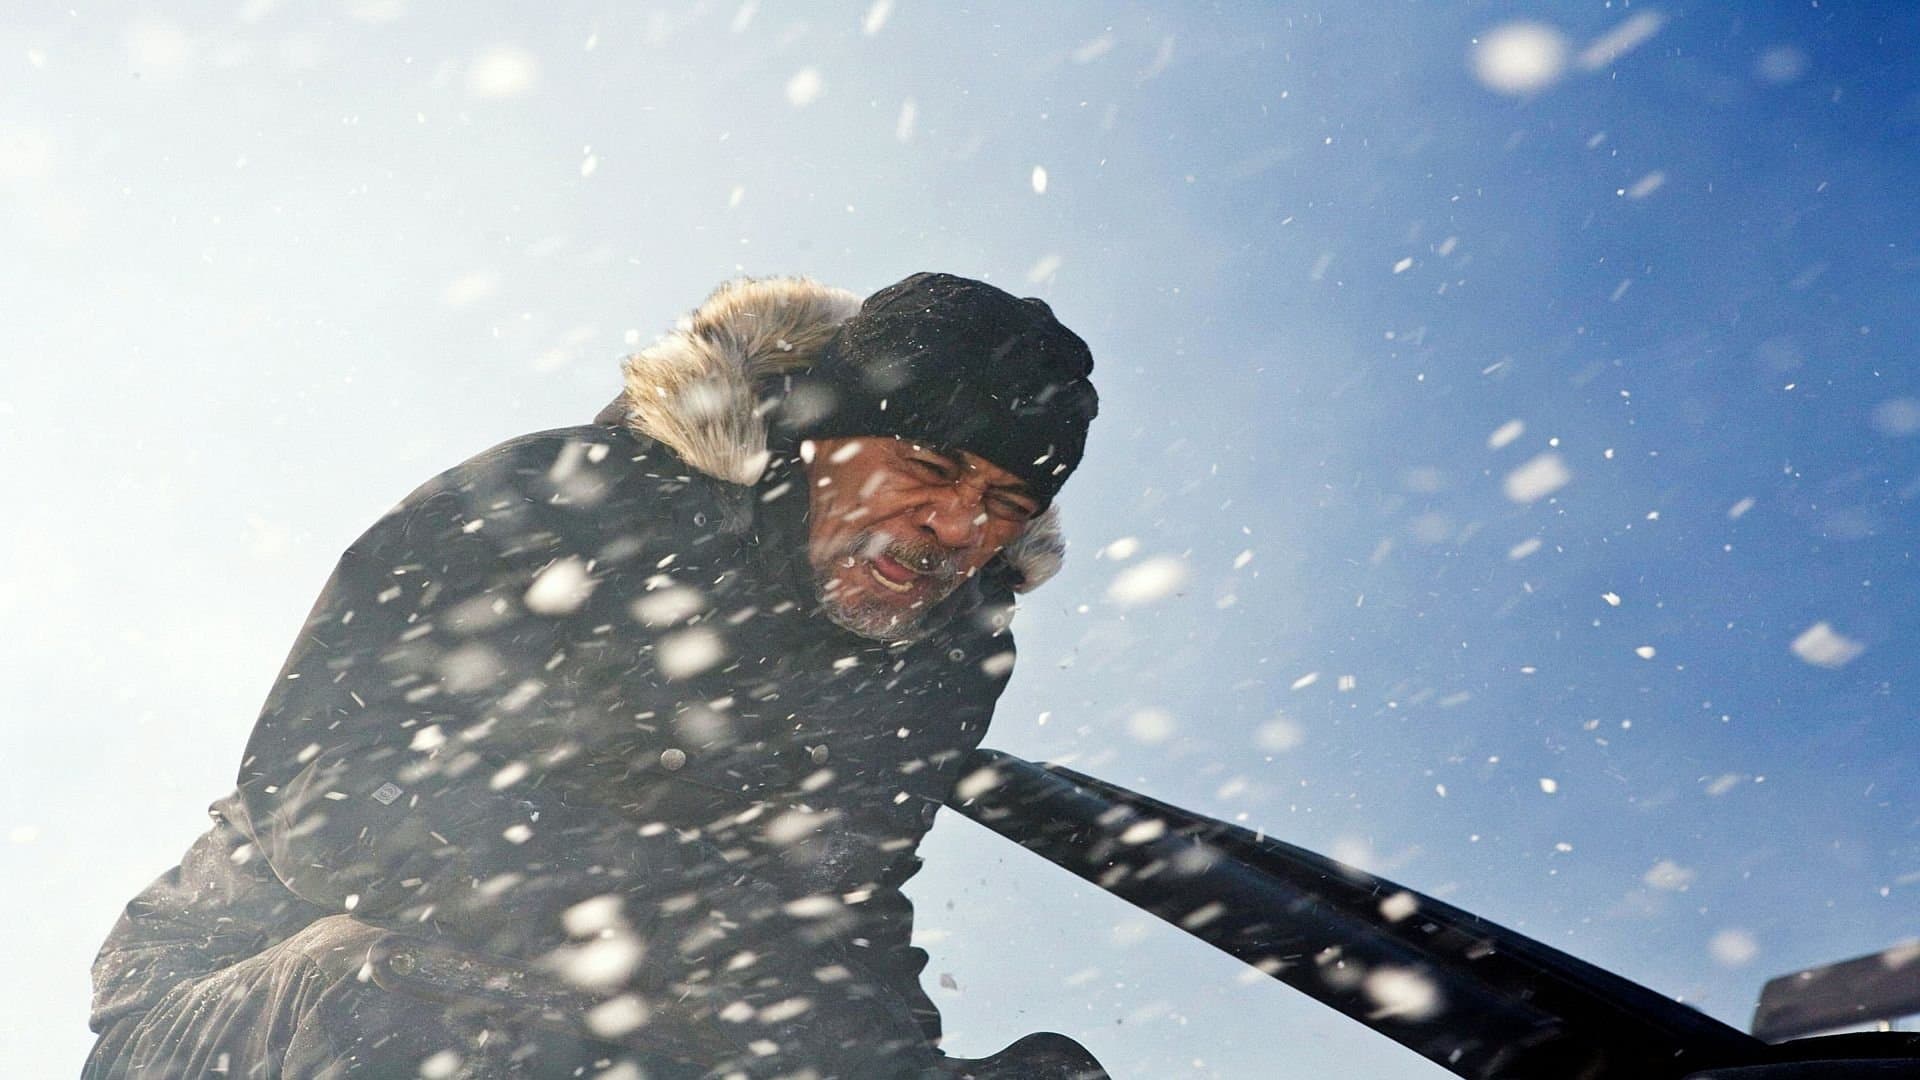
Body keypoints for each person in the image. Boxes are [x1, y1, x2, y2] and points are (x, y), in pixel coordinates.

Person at [84, 273, 1108, 1079]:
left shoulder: (937, 668)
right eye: (929, 468)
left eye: (1006, 499)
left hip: (603, 1019)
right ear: (819, 437)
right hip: (231, 1000)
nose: (961, 526)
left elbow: (839, 901)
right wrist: (698, 920)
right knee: (437, 1010)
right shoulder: (575, 505)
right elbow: (332, 791)